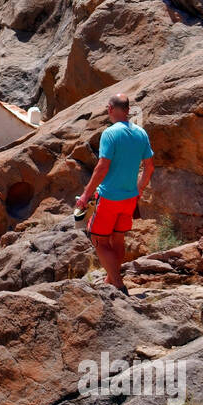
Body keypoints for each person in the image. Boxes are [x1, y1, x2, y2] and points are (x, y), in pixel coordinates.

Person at [74, 93, 154, 294]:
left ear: (110, 109)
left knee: (98, 240)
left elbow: (102, 167)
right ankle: (111, 279)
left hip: (109, 197)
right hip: (129, 198)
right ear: (127, 110)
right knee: (117, 239)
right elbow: (149, 167)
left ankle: (118, 285)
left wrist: (85, 195)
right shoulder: (141, 133)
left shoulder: (110, 134)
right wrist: (139, 190)